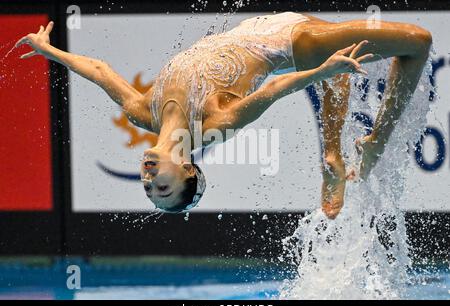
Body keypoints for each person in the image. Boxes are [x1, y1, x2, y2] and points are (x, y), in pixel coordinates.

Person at [16, 12, 432, 217]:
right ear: (186, 171)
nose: (147, 180)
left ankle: (336, 156)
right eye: (161, 189)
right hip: (288, 42)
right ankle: (371, 143)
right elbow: (271, 89)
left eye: (147, 189)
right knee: (418, 41)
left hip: (255, 24)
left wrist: (48, 49)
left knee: (338, 76)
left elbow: (101, 71)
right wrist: (321, 70)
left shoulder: (142, 113)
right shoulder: (214, 124)